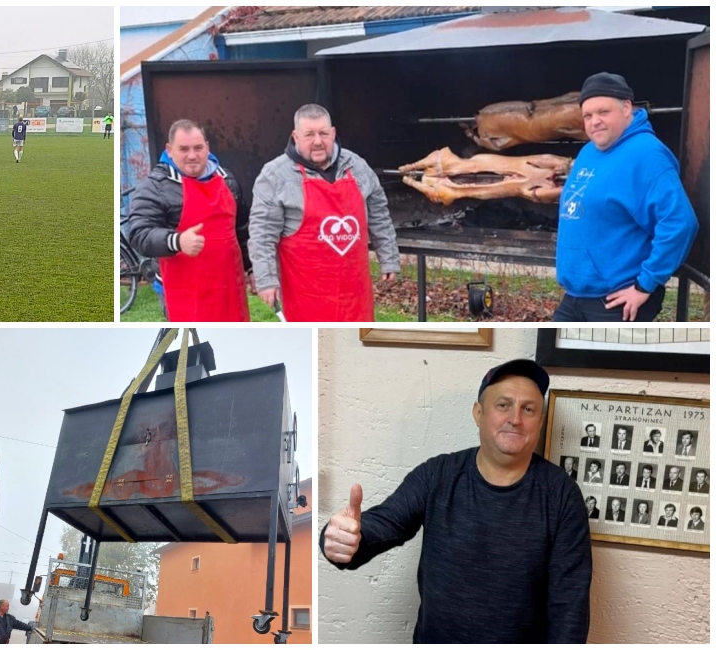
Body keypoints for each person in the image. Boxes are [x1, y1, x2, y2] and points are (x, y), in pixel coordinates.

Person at [320, 359, 590, 643]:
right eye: (503, 405)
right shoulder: (438, 475)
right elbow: (381, 525)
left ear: (541, 420)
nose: (515, 419)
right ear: (478, 413)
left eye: (529, 409)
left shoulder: (562, 496)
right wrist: (342, 538)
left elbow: (569, 610)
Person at [554, 72, 699, 321]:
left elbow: (680, 223)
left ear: (626, 108)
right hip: (576, 295)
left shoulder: (647, 155)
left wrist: (645, 284)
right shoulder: (589, 151)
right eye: (587, 115)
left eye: (603, 112)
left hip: (616, 300)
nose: (594, 121)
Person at [249, 104, 400, 321]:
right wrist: (266, 280)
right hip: (306, 295)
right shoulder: (275, 176)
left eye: (323, 133)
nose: (318, 141)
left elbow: (379, 216)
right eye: (309, 134)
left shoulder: (357, 167)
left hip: (355, 294)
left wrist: (389, 258)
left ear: (333, 133)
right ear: (295, 137)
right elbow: (262, 235)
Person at [126, 119, 251, 321]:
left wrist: (251, 268)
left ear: (207, 147)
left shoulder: (227, 179)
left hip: (228, 286)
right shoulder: (154, 187)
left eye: (198, 148)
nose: (192, 156)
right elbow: (139, 234)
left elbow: (241, 229)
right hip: (183, 290)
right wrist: (176, 241)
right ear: (169, 149)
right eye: (183, 149)